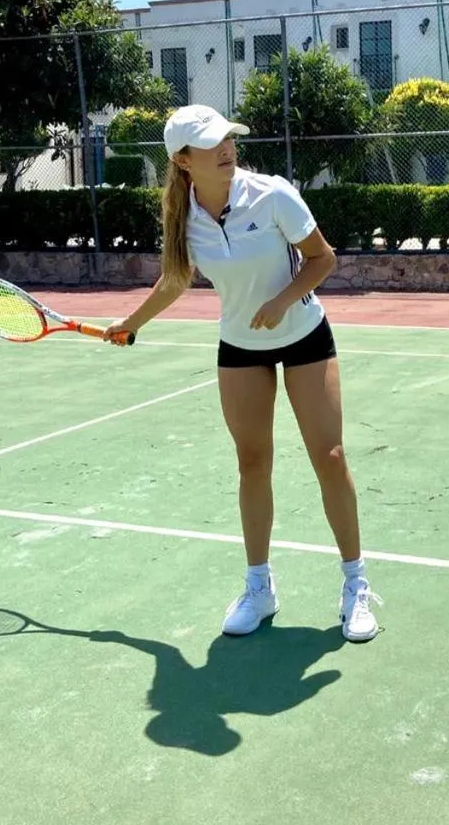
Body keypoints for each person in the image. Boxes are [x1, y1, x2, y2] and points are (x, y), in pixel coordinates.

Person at [106, 104, 380, 643]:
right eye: (212, 143)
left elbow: (323, 259)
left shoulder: (272, 194)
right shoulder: (182, 216)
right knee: (252, 463)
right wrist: (130, 323)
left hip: (304, 335)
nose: (227, 148)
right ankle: (259, 588)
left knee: (330, 456)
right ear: (184, 160)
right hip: (240, 345)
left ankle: (356, 584)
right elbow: (174, 280)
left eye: (228, 138)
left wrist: (282, 301)